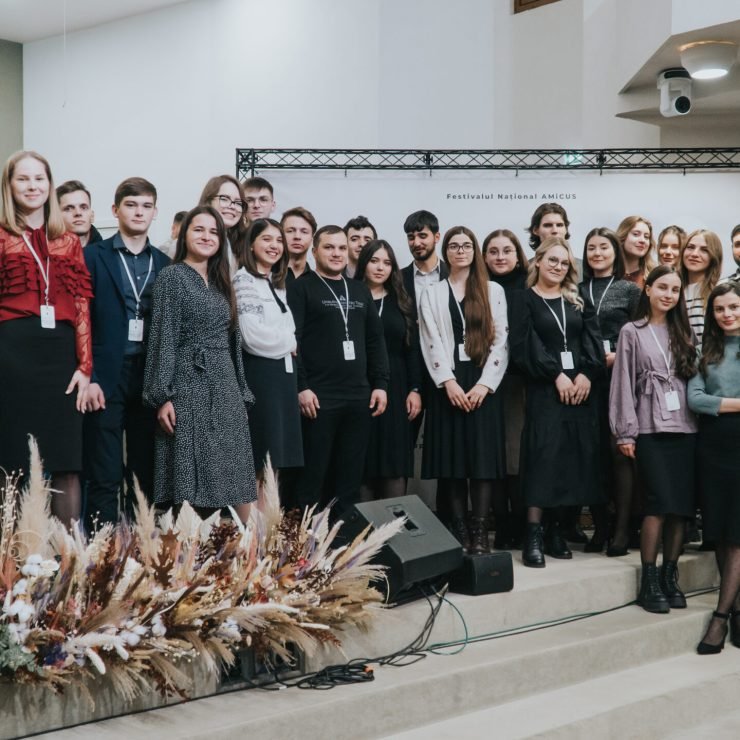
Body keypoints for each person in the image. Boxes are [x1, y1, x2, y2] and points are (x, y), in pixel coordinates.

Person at [143, 206, 257, 522]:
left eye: (214, 232)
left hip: (225, 387)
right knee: (192, 478)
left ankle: (244, 547)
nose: (207, 237)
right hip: (188, 384)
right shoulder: (172, 277)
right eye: (199, 229)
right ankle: (194, 547)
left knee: (235, 473)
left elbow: (233, 341)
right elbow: (163, 337)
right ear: (185, 235)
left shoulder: (222, 281)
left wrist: (241, 391)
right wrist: (162, 395)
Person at [0, 151, 93, 528]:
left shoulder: (68, 241)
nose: (32, 186)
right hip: (11, 354)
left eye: (39, 178)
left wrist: (85, 367)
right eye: (23, 179)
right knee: (11, 463)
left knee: (65, 462)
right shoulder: (1, 235)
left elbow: (82, 305)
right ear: (9, 186)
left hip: (60, 359)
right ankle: (11, 556)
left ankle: (70, 557)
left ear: (50, 185)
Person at [509, 237, 605, 568]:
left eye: (564, 263)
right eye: (552, 260)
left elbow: (593, 339)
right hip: (545, 390)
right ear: (537, 261)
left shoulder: (577, 300)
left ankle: (556, 531)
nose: (558, 267)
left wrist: (587, 374)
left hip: (579, 391)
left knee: (570, 460)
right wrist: (556, 375)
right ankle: (533, 534)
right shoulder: (523, 299)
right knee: (543, 458)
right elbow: (523, 345)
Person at [610, 266, 698, 613]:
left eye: (675, 290)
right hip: (649, 428)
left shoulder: (684, 332)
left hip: (685, 428)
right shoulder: (631, 331)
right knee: (657, 503)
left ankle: (669, 575)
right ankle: (649, 580)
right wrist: (625, 431)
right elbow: (622, 384)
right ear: (647, 289)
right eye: (662, 287)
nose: (668, 295)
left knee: (680, 508)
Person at [83, 177, 169, 527]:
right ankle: (103, 545)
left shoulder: (165, 263)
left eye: (146, 206)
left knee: (144, 467)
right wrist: (89, 374)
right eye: (131, 205)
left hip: (149, 374)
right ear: (115, 210)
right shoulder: (93, 256)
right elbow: (82, 320)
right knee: (104, 466)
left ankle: (140, 542)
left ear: (155, 212)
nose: (138, 212)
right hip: (107, 372)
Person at [287, 225, 389, 518]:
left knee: (350, 479)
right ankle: (304, 541)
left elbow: (374, 340)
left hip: (359, 397)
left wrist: (381, 384)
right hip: (318, 398)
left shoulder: (358, 289)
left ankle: (343, 540)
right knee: (312, 477)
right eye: (329, 247)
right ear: (315, 251)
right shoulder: (300, 288)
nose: (336, 253)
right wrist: (301, 386)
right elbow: (292, 342)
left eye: (342, 248)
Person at [419, 227, 509, 554]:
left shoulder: (492, 290)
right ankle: (459, 531)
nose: (460, 250)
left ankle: (480, 530)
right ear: (445, 251)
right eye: (454, 245)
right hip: (448, 385)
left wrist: (485, 384)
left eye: (466, 245)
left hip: (483, 382)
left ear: (475, 251)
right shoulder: (432, 292)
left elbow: (501, 340)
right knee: (453, 464)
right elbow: (429, 339)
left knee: (482, 463)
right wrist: (449, 382)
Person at [578, 227, 641, 555]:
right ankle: (600, 527)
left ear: (615, 252)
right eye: (591, 248)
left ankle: (622, 531)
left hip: (621, 378)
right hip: (586, 380)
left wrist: (619, 355)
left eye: (604, 247)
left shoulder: (629, 290)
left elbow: (642, 333)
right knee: (592, 455)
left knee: (619, 453)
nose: (597, 253)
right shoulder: (575, 290)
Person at [688, 282, 740, 652]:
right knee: (720, 532)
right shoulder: (703, 351)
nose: (727, 314)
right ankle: (737, 610)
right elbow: (695, 399)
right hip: (713, 446)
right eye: (720, 309)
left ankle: (719, 618)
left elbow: (709, 400)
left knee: (736, 534)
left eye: (734, 307)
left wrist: (719, 403)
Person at [233, 218, 302, 480]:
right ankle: (256, 510)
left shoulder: (275, 282)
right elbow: (251, 336)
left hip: (283, 378)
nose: (274, 245)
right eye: (267, 239)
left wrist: (286, 338)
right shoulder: (244, 280)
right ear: (251, 244)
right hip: (261, 377)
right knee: (261, 460)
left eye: (279, 240)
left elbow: (287, 327)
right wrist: (290, 342)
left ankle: (271, 508)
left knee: (276, 463)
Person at [356, 239, 422, 500]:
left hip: (397, 385)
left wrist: (415, 389)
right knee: (362, 458)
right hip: (359, 384)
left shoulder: (401, 301)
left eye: (386, 262)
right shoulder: (351, 296)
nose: (380, 267)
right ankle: (365, 524)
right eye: (374, 261)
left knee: (394, 458)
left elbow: (412, 349)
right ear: (364, 263)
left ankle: (393, 524)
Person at [482, 229, 529, 548]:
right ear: (484, 257)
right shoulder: (478, 287)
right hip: (485, 381)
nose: (500, 257)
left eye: (507, 251)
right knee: (493, 456)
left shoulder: (529, 285)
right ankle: (501, 524)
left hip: (518, 381)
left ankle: (521, 525)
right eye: (493, 251)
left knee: (516, 457)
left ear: (518, 255)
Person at [198, 175, 248, 274]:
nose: (232, 206)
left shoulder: (234, 244)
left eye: (238, 203)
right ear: (209, 201)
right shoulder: (193, 241)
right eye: (224, 199)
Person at [679, 228, 723, 342]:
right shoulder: (673, 290)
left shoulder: (719, 293)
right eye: (690, 247)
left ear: (714, 257)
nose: (694, 254)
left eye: (704, 250)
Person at [56, 180, 103, 247]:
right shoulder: (44, 251)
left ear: (92, 216)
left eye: (83, 208)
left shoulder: (109, 252)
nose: (78, 213)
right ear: (56, 217)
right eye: (68, 209)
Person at [616, 215, 655, 289]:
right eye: (636, 234)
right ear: (623, 236)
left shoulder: (654, 277)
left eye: (646, 237)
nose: (642, 240)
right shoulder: (606, 274)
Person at [282, 206, 316, 284]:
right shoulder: (267, 274)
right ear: (281, 235)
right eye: (290, 231)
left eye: (304, 232)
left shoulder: (317, 281)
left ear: (312, 239)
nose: (297, 236)